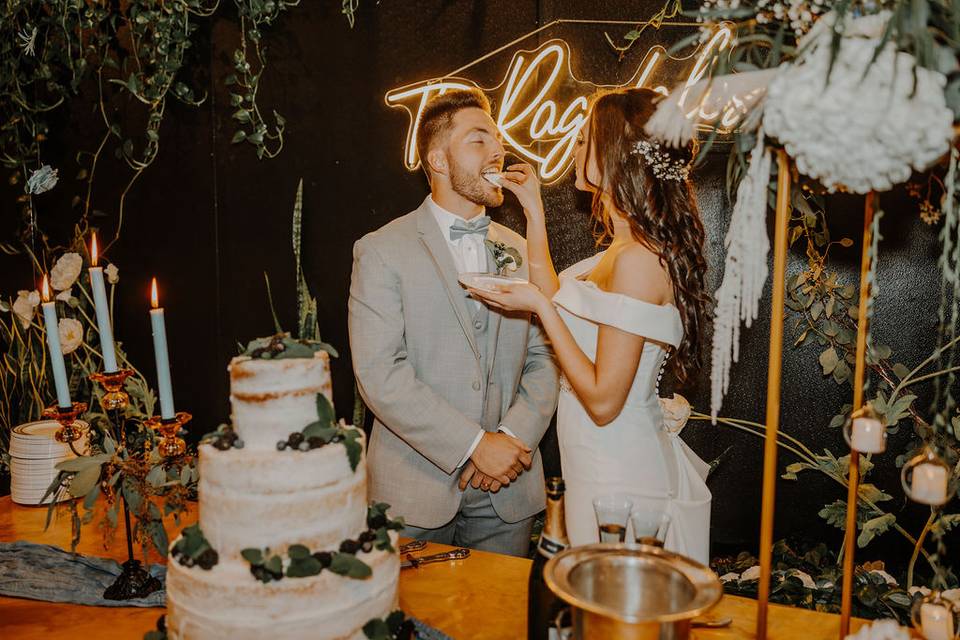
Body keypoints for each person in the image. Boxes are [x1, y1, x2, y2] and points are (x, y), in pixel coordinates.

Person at [468, 88, 713, 562]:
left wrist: (538, 306)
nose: (576, 149)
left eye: (585, 139)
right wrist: (534, 210)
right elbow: (560, 297)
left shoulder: (638, 261)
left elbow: (603, 400)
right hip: (597, 462)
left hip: (620, 472)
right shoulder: (622, 249)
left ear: (617, 152)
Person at [348, 88, 559, 556]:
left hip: (508, 487)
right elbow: (380, 374)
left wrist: (509, 439)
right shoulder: (382, 250)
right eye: (479, 139)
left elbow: (547, 357)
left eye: (498, 139)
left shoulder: (524, 251)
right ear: (438, 160)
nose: (498, 150)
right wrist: (472, 445)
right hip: (413, 492)